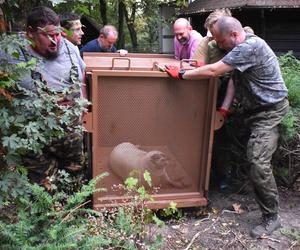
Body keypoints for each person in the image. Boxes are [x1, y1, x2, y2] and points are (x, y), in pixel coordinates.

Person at [165, 16, 289, 239]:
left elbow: (214, 71)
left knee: (257, 160)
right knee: (226, 141)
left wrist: (182, 75)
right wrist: (224, 108)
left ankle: (272, 216)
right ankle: (235, 183)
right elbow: (232, 78)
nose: (217, 45)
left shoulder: (251, 46)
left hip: (269, 111)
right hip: (251, 109)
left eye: (220, 41)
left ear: (233, 35)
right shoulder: (238, 46)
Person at [5, 6, 87, 184]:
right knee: (44, 190)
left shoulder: (70, 48)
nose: (55, 41)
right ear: (30, 33)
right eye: (48, 35)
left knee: (75, 183)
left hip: (71, 135)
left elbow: (82, 80)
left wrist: (83, 108)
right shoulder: (14, 52)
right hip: (36, 139)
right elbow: (21, 90)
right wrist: (59, 99)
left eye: (57, 34)